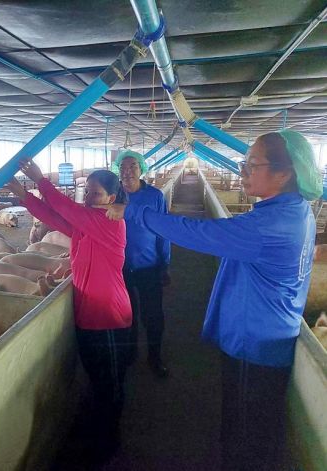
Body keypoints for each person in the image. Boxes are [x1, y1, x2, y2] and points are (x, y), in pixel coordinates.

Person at [101, 130, 322, 471]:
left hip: (254, 342)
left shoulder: (271, 224)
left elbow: (199, 232)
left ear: (284, 173)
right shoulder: (295, 212)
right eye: (243, 163)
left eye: (252, 164)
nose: (242, 171)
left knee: (243, 437)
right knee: (251, 428)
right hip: (266, 333)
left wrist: (134, 213)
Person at [6, 160, 131, 454]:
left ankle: (109, 442)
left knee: (109, 384)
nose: (88, 198)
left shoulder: (110, 223)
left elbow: (65, 208)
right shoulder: (86, 226)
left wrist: (41, 180)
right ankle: (99, 432)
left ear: (112, 198)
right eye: (87, 192)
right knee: (97, 379)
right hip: (87, 316)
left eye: (96, 194)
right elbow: (53, 216)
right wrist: (24, 196)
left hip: (109, 316)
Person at [113, 149, 171, 377]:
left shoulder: (155, 196)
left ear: (142, 169)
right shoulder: (113, 195)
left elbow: (164, 231)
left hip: (149, 266)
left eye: (133, 167)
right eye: (123, 167)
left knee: (153, 314)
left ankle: (155, 357)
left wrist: (165, 263)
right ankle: (130, 353)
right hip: (120, 268)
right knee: (128, 314)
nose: (127, 171)